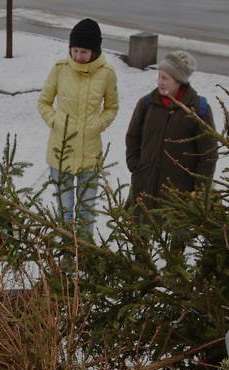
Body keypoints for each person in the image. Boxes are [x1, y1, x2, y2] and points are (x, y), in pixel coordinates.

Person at [37, 18, 119, 239]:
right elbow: (44, 102)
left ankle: (85, 253)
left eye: (84, 52)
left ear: (94, 51)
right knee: (65, 212)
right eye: (74, 50)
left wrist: (98, 124)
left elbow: (112, 107)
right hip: (60, 152)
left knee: (86, 212)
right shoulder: (60, 69)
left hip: (90, 155)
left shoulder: (107, 73)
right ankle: (66, 251)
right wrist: (56, 121)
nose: (78, 56)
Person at [125, 51, 218, 218]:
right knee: (141, 230)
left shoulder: (198, 109)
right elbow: (133, 136)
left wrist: (200, 188)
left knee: (176, 232)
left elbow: (208, 154)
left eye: (165, 78)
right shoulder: (147, 104)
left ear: (178, 80)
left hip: (180, 190)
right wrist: (135, 165)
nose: (160, 82)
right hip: (145, 184)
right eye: (159, 77)